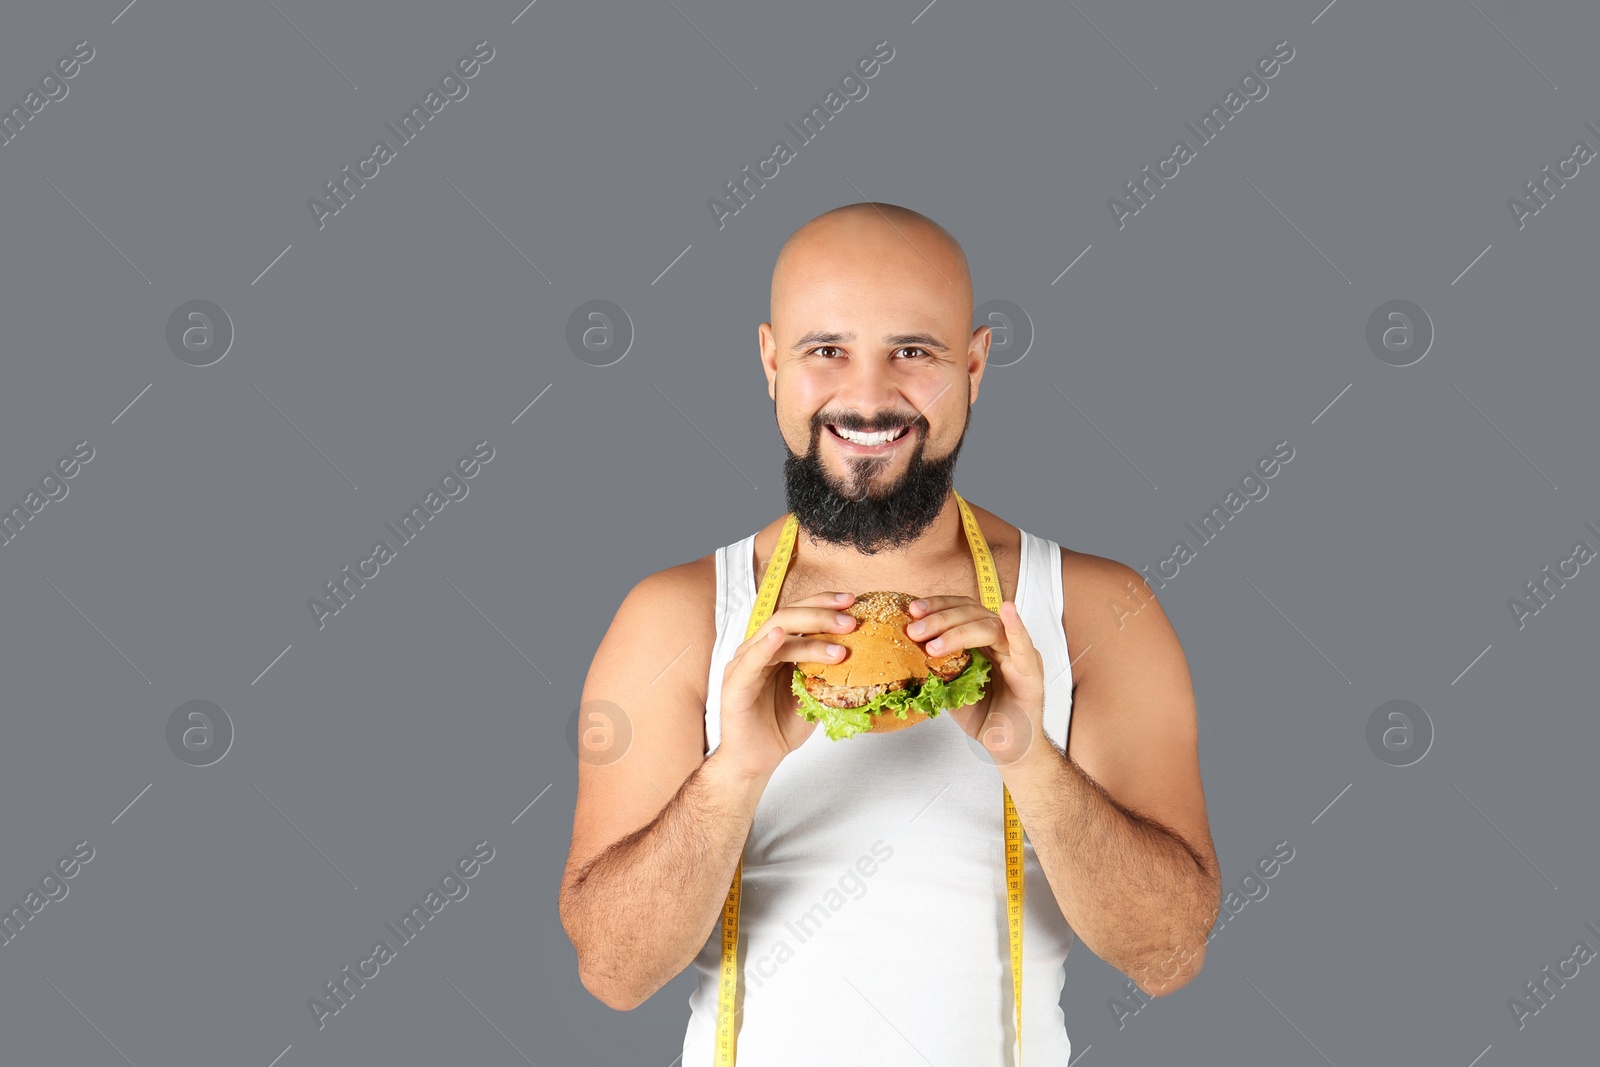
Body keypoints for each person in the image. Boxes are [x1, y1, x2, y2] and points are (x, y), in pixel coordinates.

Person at [558, 202, 1220, 1063]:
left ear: (975, 364)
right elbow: (613, 972)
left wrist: (1027, 756)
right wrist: (737, 771)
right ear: (770, 362)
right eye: (825, 349)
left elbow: (1167, 955)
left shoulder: (1093, 609)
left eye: (913, 351)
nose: (867, 397)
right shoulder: (677, 617)